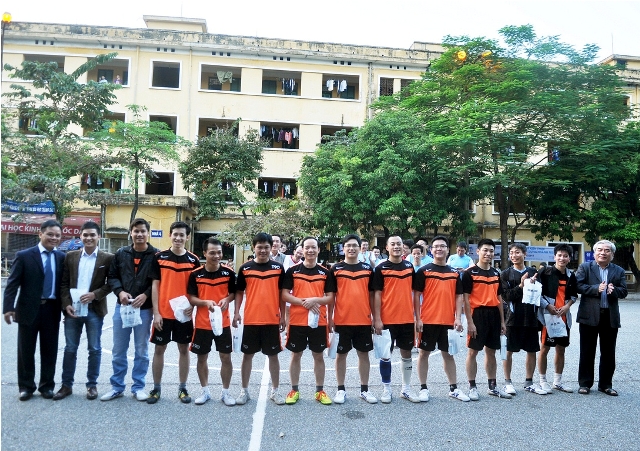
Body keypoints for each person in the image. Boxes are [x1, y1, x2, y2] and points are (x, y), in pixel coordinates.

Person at [3, 220, 65, 401]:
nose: (54, 238)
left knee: (50, 350)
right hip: (28, 309)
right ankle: (26, 387)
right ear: (40, 234)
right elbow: (12, 284)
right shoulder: (24, 256)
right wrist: (8, 307)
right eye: (50, 234)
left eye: (57, 235)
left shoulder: (61, 257)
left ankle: (47, 386)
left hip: (52, 309)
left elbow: (64, 284)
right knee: (26, 351)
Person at [53, 221, 113, 401]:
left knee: (94, 348)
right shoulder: (70, 257)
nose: (88, 238)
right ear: (80, 236)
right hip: (73, 310)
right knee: (70, 348)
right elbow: (64, 283)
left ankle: (91, 385)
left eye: (92, 235)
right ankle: (66, 385)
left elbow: (111, 283)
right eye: (85, 235)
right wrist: (66, 304)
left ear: (98, 236)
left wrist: (95, 294)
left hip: (95, 310)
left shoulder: (107, 258)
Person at [103, 218, 158, 402]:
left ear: (148, 233)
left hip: (144, 309)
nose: (139, 234)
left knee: (141, 350)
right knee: (119, 349)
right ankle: (117, 386)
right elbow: (112, 276)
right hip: (123, 308)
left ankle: (138, 387)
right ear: (131, 233)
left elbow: (158, 282)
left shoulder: (156, 255)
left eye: (143, 231)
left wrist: (146, 295)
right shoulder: (121, 253)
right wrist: (120, 292)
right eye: (136, 231)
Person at [148, 221, 201, 404]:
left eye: (182, 235)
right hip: (163, 314)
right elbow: (155, 286)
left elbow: (196, 289)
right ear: (170, 235)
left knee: (183, 349)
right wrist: (156, 313)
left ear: (188, 237)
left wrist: (192, 306)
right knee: (159, 349)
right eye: (175, 234)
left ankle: (183, 388)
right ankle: (156, 388)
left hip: (183, 315)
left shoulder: (193, 260)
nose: (178, 238)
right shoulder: (159, 257)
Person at [413, 236, 470, 402]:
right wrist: (418, 318)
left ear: (447, 250)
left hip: (448, 321)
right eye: (436, 246)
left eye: (442, 246)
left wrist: (458, 318)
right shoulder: (423, 271)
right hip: (428, 320)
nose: (439, 249)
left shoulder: (454, 273)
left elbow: (459, 296)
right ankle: (423, 388)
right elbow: (416, 295)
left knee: (448, 355)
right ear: (431, 250)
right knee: (423, 354)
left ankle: (453, 388)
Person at [233, 233, 286, 405]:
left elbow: (282, 294)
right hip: (251, 320)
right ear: (254, 248)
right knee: (247, 356)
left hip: (272, 319)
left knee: (273, 356)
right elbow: (239, 292)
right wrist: (236, 312)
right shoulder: (245, 268)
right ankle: (244, 391)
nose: (263, 250)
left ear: (272, 248)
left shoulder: (278, 268)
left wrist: (283, 316)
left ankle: (275, 391)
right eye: (259, 247)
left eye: (266, 247)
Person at [281, 237, 335, 405]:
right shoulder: (292, 271)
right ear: (302, 250)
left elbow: (330, 298)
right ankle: (294, 390)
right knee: (296, 354)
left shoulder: (325, 272)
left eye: (313, 247)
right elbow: (284, 295)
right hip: (297, 320)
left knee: (318, 355)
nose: (310, 250)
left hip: (319, 321)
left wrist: (315, 300)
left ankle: (319, 391)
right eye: (307, 248)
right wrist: (304, 302)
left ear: (318, 250)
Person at [187, 238, 236, 406]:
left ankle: (225, 392)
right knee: (202, 358)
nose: (216, 256)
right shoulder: (195, 274)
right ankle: (205, 391)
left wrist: (227, 300)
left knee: (226, 358)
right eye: (212, 253)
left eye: (219, 252)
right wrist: (205, 302)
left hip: (223, 323)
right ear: (204, 253)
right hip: (202, 324)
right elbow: (191, 298)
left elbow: (233, 293)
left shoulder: (228, 273)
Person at [329, 234, 378, 404]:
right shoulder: (335, 269)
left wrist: (375, 317)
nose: (351, 248)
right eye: (348, 245)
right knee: (341, 355)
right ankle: (340, 389)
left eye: (354, 245)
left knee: (363, 354)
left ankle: (364, 390)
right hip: (342, 320)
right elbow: (331, 296)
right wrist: (330, 318)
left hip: (363, 320)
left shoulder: (368, 269)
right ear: (343, 248)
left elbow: (372, 296)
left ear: (360, 248)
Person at [576, 240, 627, 396]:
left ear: (612, 254)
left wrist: (614, 290)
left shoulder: (618, 270)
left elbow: (624, 291)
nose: (603, 253)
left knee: (608, 353)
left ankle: (605, 385)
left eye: (607, 250)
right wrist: (595, 288)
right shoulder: (585, 267)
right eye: (599, 250)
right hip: (589, 316)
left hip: (609, 317)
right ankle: (585, 384)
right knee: (587, 351)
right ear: (594, 252)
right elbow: (578, 286)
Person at [463, 238, 511, 400]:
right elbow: (465, 300)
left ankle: (492, 386)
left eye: (491, 251)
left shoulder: (496, 273)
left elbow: (499, 299)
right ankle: (472, 387)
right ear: (478, 251)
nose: (488, 253)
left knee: (491, 351)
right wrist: (470, 322)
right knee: (473, 351)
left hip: (494, 315)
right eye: (485, 250)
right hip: (477, 315)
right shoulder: (469, 273)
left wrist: (502, 321)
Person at [373, 235, 419, 403]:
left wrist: (417, 317)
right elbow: (377, 295)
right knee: (386, 355)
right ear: (387, 248)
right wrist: (377, 319)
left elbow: (415, 293)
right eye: (392, 244)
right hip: (387, 319)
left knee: (406, 353)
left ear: (403, 246)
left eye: (399, 243)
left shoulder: (409, 266)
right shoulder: (381, 268)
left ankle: (406, 389)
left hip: (406, 319)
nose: (396, 246)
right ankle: (387, 389)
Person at [500, 243, 547, 396]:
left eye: (517, 252)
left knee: (531, 350)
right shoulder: (505, 274)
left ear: (525, 254)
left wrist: (533, 285)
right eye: (512, 253)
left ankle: (529, 382)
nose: (514, 255)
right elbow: (506, 296)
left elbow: (540, 294)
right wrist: (521, 285)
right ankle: (508, 382)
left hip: (531, 317)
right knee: (508, 351)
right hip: (513, 318)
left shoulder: (534, 272)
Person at [537, 243, 578, 393]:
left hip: (563, 318)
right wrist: (548, 306)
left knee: (561, 349)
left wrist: (567, 307)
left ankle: (557, 381)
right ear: (554, 257)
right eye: (559, 255)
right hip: (548, 317)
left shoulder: (571, 275)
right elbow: (537, 293)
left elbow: (574, 295)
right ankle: (543, 381)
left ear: (569, 258)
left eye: (565, 256)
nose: (562, 258)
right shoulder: (545, 272)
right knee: (544, 348)